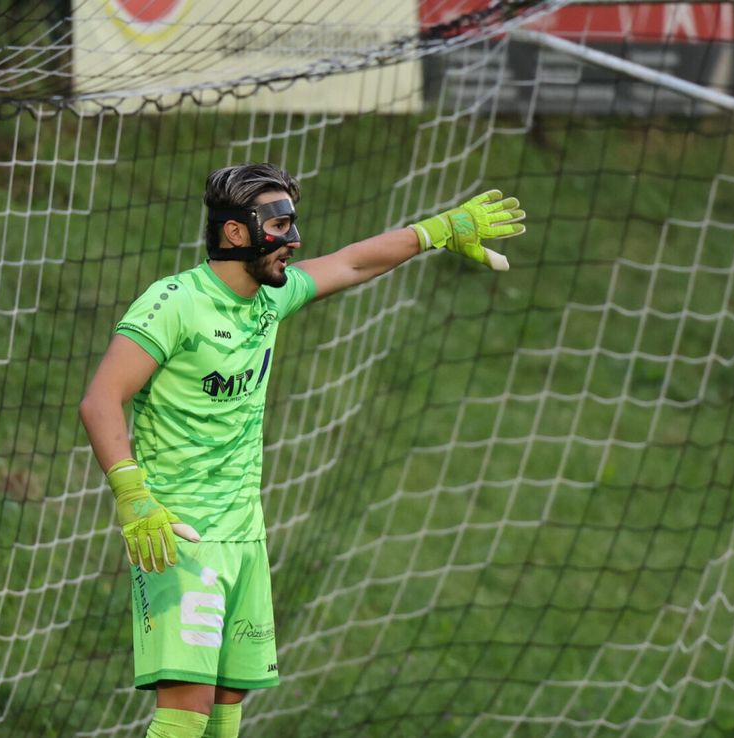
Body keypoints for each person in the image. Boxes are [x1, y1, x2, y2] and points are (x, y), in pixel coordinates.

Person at [78, 163, 525, 738]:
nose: (294, 239)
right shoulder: (174, 304)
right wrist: (133, 497)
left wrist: (437, 229)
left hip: (245, 534)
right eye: (280, 223)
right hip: (180, 533)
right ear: (236, 233)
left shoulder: (272, 298)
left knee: (226, 706)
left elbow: (352, 262)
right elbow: (100, 400)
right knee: (184, 712)